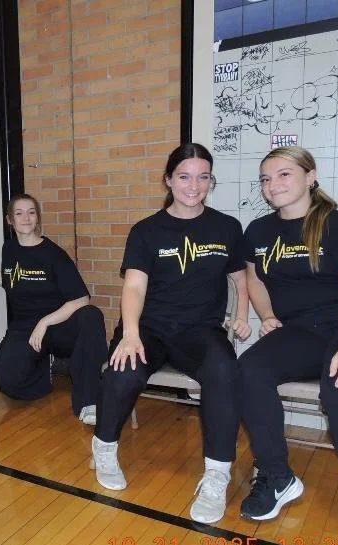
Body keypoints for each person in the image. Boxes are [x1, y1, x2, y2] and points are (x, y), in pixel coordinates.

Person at [239, 146, 338, 545]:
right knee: (248, 370)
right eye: (266, 179)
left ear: (310, 176)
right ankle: (277, 477)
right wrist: (268, 315)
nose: (273, 186)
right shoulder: (258, 231)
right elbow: (254, 281)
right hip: (303, 329)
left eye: (284, 175)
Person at [91, 143, 251, 524]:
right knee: (123, 372)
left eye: (203, 176)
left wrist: (242, 314)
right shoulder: (146, 231)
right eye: (184, 176)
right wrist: (130, 334)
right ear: (168, 180)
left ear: (211, 181)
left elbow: (240, 278)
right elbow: (134, 288)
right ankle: (104, 446)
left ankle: (217, 473)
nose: (194, 185)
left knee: (225, 372)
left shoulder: (227, 227)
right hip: (150, 327)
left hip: (200, 331)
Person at [0, 194, 107, 422]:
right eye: (19, 213)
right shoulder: (10, 249)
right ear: (9, 220)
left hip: (58, 324)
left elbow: (82, 298)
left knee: (92, 316)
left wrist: (45, 322)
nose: (26, 218)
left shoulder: (53, 254)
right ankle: (45, 371)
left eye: (31, 212)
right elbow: (10, 281)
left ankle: (89, 401)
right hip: (25, 327)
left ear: (38, 218)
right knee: (6, 381)